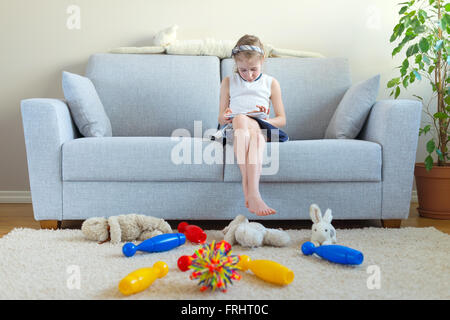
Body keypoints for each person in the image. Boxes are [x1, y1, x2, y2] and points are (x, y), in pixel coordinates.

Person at [217, 34, 287, 216]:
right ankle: (252, 192)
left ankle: (250, 190)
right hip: (236, 128)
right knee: (242, 121)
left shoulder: (271, 83)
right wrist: (225, 117)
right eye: (243, 70)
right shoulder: (228, 82)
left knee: (253, 130)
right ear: (236, 65)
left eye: (253, 69)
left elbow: (282, 119)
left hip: (261, 126)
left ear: (262, 60)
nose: (248, 75)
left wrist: (263, 119)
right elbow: (220, 118)